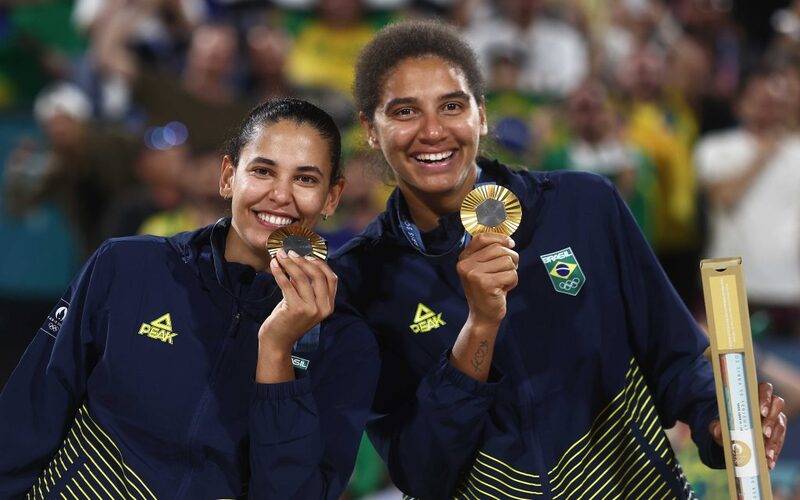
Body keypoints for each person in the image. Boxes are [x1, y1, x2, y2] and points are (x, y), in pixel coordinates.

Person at [329, 21, 788, 498]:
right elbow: (421, 471)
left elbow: (676, 357)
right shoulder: (362, 281)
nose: (432, 130)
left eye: (452, 105)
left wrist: (722, 418)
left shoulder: (584, 205)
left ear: (481, 114)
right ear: (371, 130)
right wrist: (479, 329)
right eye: (405, 112)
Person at [0, 98, 380, 499]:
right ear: (228, 176)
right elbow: (30, 414)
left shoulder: (345, 344)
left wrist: (276, 351)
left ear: (332, 197)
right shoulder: (128, 266)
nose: (280, 195)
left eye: (305, 179)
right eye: (263, 171)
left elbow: (294, 493)